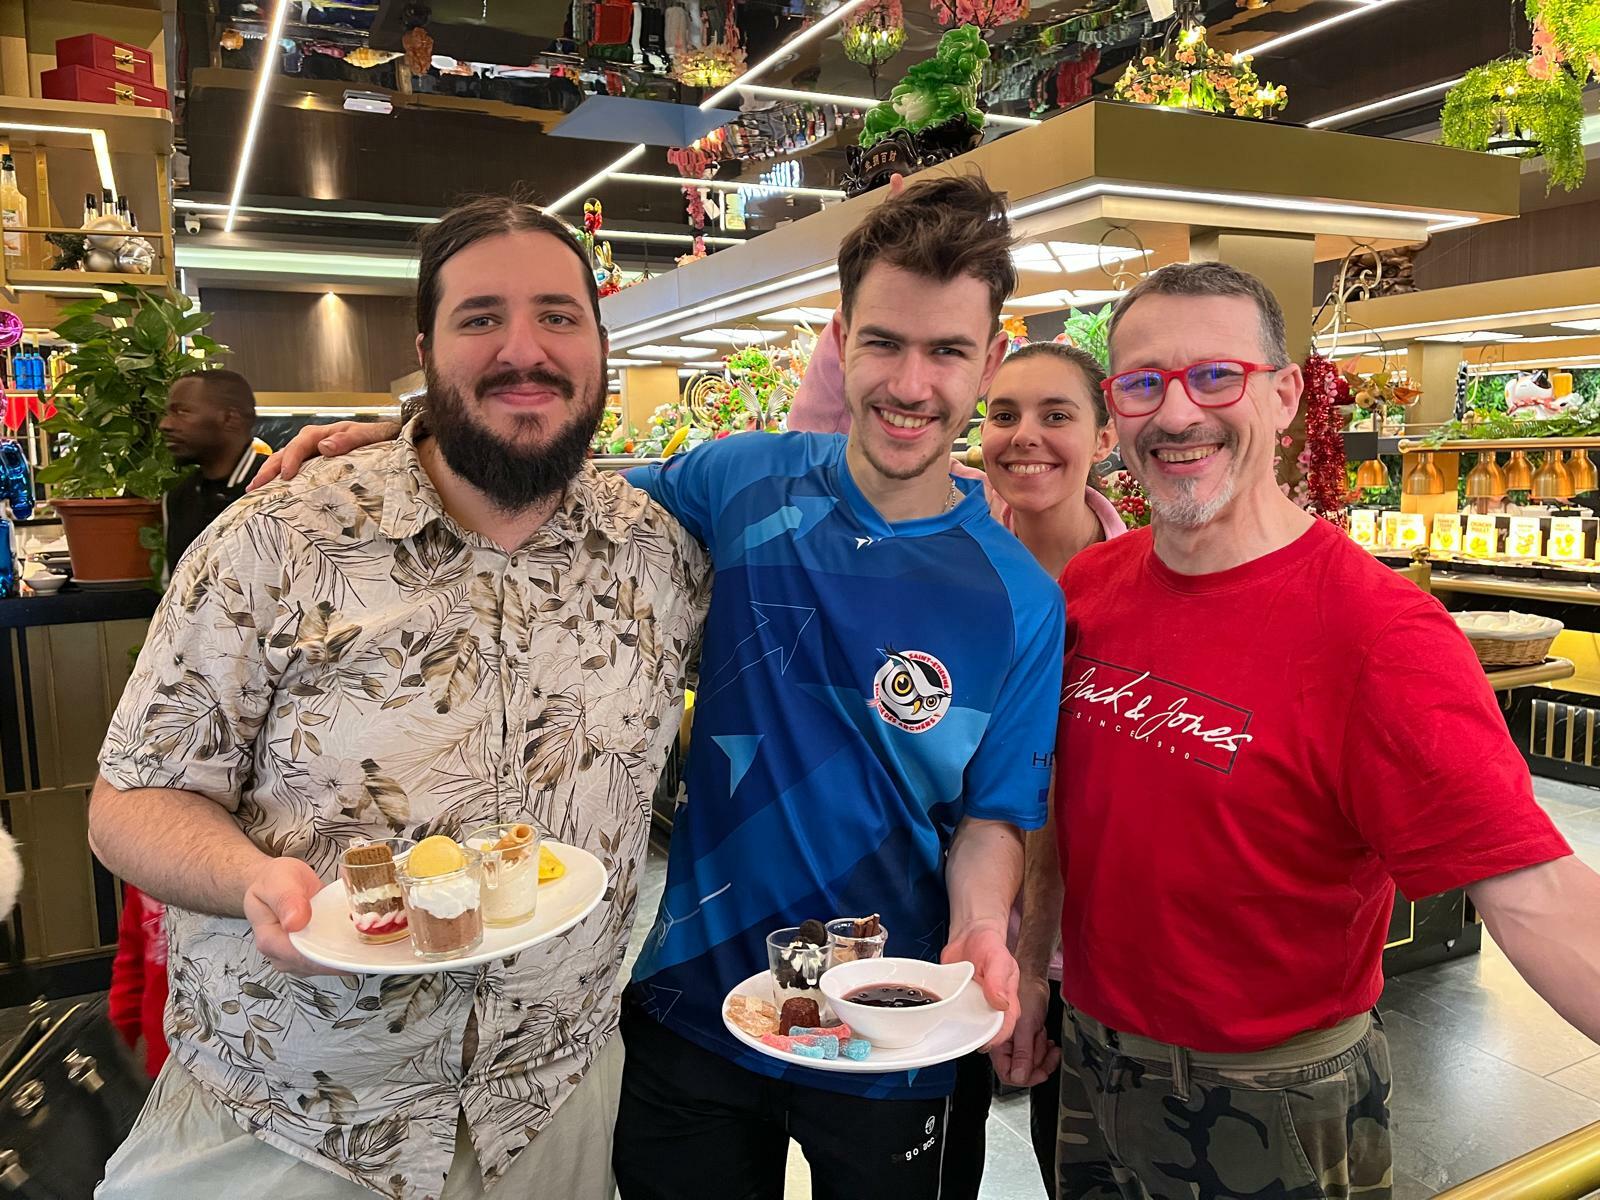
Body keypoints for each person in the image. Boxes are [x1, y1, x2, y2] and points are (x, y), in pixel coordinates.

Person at [252, 172, 1066, 1200]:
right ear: (840, 339)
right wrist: (412, 438)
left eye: (946, 351)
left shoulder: (1019, 600)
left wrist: (982, 927)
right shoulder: (744, 481)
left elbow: (994, 816)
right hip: (697, 996)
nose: (911, 383)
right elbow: (551, 483)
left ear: (988, 360)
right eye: (883, 343)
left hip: (893, 1015)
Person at [88, 195, 709, 1200]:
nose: (523, 349)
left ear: (599, 347)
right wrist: (250, 879)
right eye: (480, 318)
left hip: (552, 1110)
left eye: (558, 316)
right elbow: (130, 801)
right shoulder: (276, 542)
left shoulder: (660, 557)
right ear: (424, 351)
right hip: (293, 1118)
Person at [1005, 261, 1600, 1200]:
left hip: (1272, 1094)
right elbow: (1055, 818)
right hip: (1091, 1057)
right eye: (1144, 383)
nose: (1177, 413)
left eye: (1216, 376)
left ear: (1283, 396)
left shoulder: (1380, 635)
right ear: (1116, 409)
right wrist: (1029, 973)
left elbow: (1538, 894)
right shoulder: (1092, 587)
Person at [158, 369, 270, 568]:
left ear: (230, 418)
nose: (165, 424)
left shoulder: (278, 487)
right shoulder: (179, 498)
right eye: (168, 413)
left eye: (182, 411)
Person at [108, 884, 169, 1078]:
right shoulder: (146, 877)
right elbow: (132, 963)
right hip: (164, 1061)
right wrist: (114, 1048)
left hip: (233, 1065)